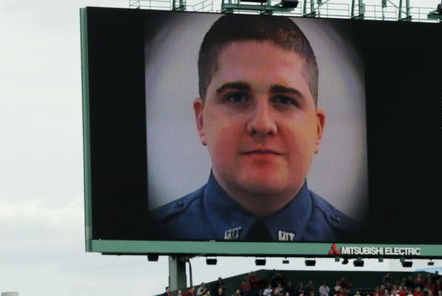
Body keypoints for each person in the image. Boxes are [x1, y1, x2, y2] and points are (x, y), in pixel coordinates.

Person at [150, 14, 358, 242]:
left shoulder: (353, 237)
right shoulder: (154, 229)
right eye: (237, 97)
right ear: (201, 121)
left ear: (318, 129)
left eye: (284, 100)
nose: (262, 124)